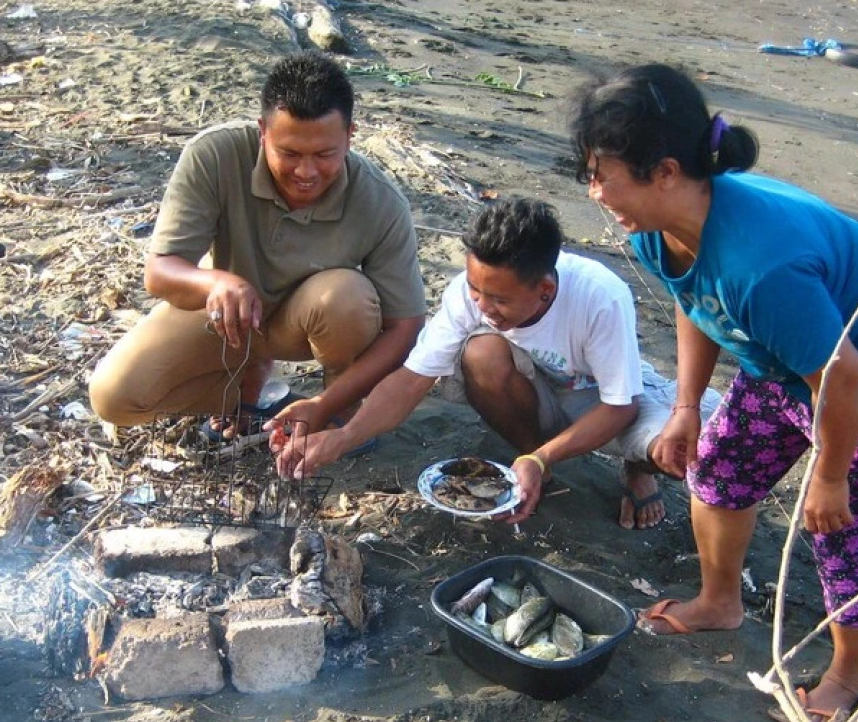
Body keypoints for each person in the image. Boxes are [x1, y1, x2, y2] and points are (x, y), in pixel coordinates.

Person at [569, 63, 858, 721]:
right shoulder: (657, 229)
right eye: (590, 171)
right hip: (793, 355)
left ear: (664, 171)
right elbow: (695, 304)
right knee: (716, 467)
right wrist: (687, 405)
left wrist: (830, 474)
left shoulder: (761, 265)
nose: (595, 190)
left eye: (603, 173)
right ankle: (720, 601)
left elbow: (842, 376)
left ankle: (843, 680)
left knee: (847, 532)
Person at [272, 197, 720, 529]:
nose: (482, 305)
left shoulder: (600, 297)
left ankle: (631, 472)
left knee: (679, 447)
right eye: (475, 289)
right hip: (537, 384)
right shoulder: (470, 295)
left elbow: (620, 405)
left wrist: (543, 457)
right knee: (481, 351)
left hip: (604, 397)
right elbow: (411, 381)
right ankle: (531, 465)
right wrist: (343, 435)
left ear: (544, 290)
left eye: (499, 298)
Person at [89, 52, 427, 441]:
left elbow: (406, 327)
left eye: (325, 154)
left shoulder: (381, 200)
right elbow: (160, 272)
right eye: (289, 153)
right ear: (262, 131)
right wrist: (214, 283)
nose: (306, 172)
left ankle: (338, 414)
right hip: (227, 317)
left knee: (347, 297)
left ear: (350, 135)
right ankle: (249, 394)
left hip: (314, 322)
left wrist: (326, 404)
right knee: (114, 398)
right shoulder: (214, 155)